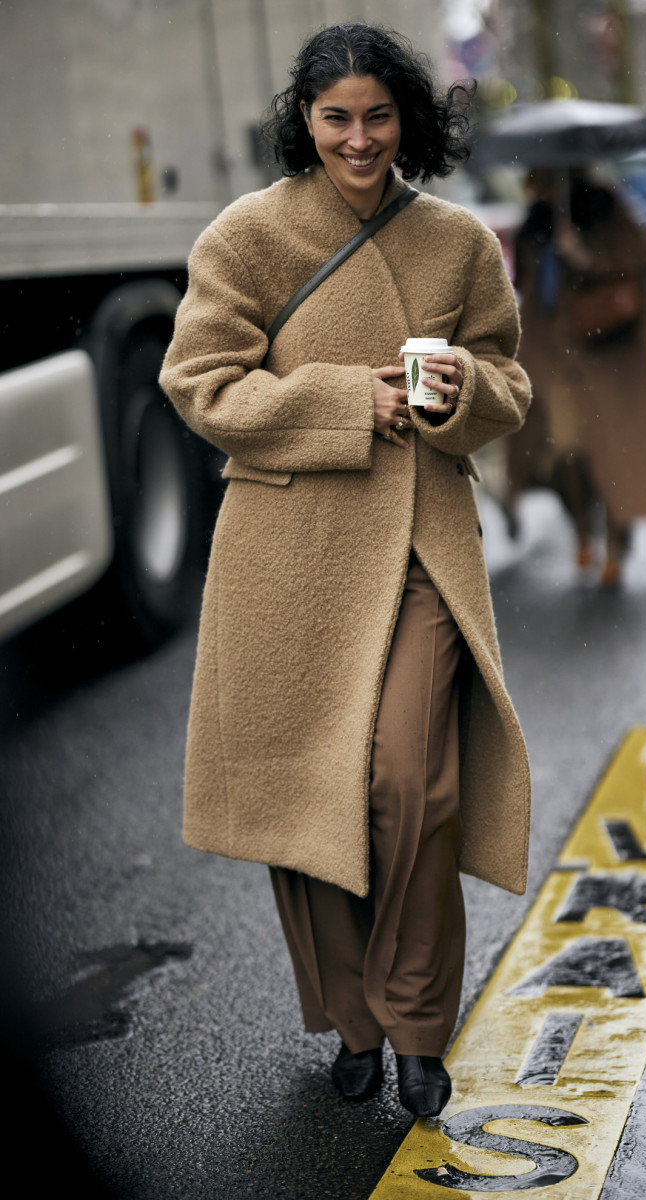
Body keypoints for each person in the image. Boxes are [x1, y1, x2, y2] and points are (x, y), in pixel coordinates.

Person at [159, 23, 531, 1119]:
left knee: (412, 784)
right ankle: (353, 1021)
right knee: (310, 795)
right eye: (337, 119)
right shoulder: (248, 235)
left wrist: (465, 387)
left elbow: (510, 378)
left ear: (407, 118)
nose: (359, 139)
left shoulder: (459, 242)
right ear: (306, 124)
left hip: (422, 541)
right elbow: (201, 383)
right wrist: (340, 400)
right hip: (289, 555)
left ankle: (417, 1025)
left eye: (378, 116)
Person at [505, 167, 646, 587]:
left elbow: (643, 258)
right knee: (565, 452)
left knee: (616, 457)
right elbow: (524, 289)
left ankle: (616, 547)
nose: (535, 182)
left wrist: (581, 255)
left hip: (606, 357)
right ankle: (583, 526)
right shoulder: (535, 223)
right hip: (552, 355)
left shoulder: (605, 209)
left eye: (541, 174)